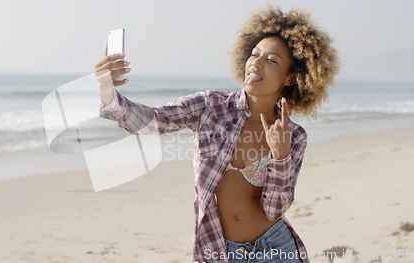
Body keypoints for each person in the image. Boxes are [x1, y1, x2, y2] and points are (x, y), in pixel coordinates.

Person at [95, 5, 339, 263]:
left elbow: (274, 209)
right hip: (221, 252)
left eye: (271, 59)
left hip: (276, 249)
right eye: (254, 54)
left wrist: (280, 157)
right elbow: (153, 122)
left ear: (291, 78)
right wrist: (108, 94)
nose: (256, 62)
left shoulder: (294, 136)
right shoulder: (210, 106)